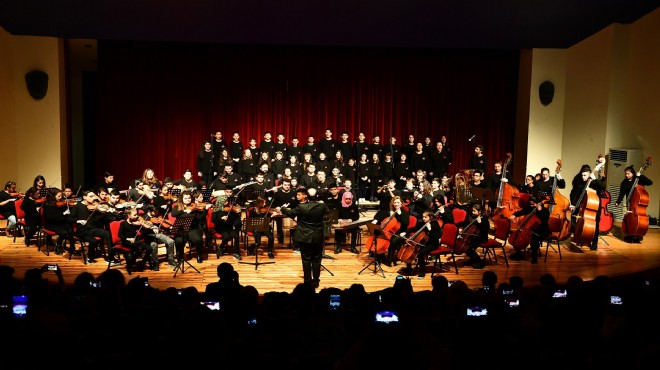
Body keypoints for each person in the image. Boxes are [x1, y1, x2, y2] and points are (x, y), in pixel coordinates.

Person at [276, 187, 328, 288]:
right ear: (317, 196)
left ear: (307, 196)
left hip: (305, 237)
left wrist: (282, 208)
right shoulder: (322, 206)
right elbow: (326, 210)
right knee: (317, 260)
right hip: (318, 237)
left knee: (306, 259)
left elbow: (290, 213)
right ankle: (316, 281)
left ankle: (307, 282)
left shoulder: (301, 207)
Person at [569, 163, 606, 250]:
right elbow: (575, 194)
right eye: (582, 175)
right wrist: (573, 204)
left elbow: (603, 187)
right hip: (584, 205)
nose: (583, 177)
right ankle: (582, 238)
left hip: (595, 206)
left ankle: (594, 242)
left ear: (589, 174)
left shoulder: (593, 182)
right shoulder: (581, 182)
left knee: (595, 224)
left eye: (585, 175)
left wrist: (595, 178)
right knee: (581, 221)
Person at [70, 190, 113, 264]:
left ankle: (110, 257)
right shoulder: (78, 206)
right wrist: (78, 221)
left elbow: (97, 219)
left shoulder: (94, 206)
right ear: (84, 197)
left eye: (94, 196)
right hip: (82, 230)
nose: (93, 198)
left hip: (93, 228)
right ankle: (90, 257)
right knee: (93, 241)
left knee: (108, 234)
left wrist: (105, 211)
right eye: (91, 196)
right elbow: (69, 219)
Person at [615, 165, 653, 243]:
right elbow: (622, 193)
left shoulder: (639, 179)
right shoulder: (624, 182)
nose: (626, 175)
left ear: (633, 173)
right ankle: (630, 234)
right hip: (631, 203)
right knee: (629, 219)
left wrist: (640, 176)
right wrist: (618, 202)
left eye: (628, 173)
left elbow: (650, 182)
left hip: (638, 203)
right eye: (626, 174)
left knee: (638, 219)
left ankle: (638, 234)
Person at [508, 195, 550, 264]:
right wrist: (514, 215)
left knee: (534, 238)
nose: (532, 206)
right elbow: (521, 212)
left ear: (538, 203)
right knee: (516, 234)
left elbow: (544, 222)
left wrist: (539, 211)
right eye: (531, 204)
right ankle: (518, 253)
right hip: (530, 229)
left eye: (533, 204)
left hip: (542, 230)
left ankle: (534, 257)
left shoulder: (545, 211)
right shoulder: (530, 208)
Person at [171, 190, 208, 263]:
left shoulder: (194, 206)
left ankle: (199, 255)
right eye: (186, 198)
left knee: (197, 239)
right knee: (178, 240)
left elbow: (200, 217)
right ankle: (180, 257)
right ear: (182, 199)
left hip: (193, 228)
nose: (188, 200)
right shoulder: (178, 206)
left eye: (189, 198)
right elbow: (173, 214)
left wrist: (205, 210)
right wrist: (184, 210)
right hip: (181, 229)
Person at [119, 208, 158, 272]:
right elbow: (120, 235)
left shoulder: (135, 223)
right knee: (139, 251)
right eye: (134, 215)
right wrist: (128, 238)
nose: (137, 216)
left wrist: (149, 227)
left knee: (149, 249)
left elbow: (143, 231)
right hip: (126, 241)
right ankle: (130, 264)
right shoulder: (123, 223)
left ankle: (142, 263)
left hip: (135, 240)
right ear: (129, 215)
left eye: (137, 214)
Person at [42, 188, 76, 255]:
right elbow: (51, 218)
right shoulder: (47, 205)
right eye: (59, 196)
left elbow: (62, 215)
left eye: (61, 196)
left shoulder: (60, 203)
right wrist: (63, 214)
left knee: (70, 229)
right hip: (51, 224)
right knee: (63, 232)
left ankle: (72, 248)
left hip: (59, 222)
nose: (61, 198)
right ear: (52, 196)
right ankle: (58, 244)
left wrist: (66, 210)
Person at [463, 203, 488, 269]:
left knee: (469, 247)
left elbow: (485, 231)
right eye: (472, 210)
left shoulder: (484, 219)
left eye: (474, 211)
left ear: (479, 211)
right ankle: (472, 259)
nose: (472, 212)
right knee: (465, 246)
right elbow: (467, 224)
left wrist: (480, 223)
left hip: (482, 237)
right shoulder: (474, 218)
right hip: (475, 236)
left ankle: (479, 262)